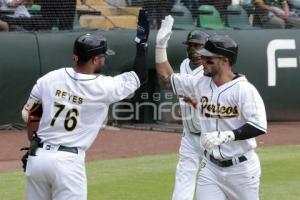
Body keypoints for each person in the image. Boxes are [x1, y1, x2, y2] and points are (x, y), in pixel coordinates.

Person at [20, 9, 149, 200]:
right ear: (95, 59)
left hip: (38, 158)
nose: (105, 59)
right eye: (103, 56)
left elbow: (29, 114)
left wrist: (33, 143)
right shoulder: (103, 86)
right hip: (68, 163)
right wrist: (142, 43)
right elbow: (140, 76)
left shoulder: (50, 78)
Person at [155, 15, 267, 200]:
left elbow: (259, 125)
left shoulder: (244, 89)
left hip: (242, 170)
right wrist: (160, 46)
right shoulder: (200, 82)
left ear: (224, 60)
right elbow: (167, 80)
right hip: (211, 169)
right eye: (203, 56)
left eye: (208, 58)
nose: (203, 60)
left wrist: (227, 135)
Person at [171, 30, 210, 200]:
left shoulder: (209, 71)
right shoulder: (184, 64)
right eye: (190, 45)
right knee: (183, 179)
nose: (193, 49)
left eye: (197, 45)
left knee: (212, 184)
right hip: (189, 136)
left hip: (210, 137)